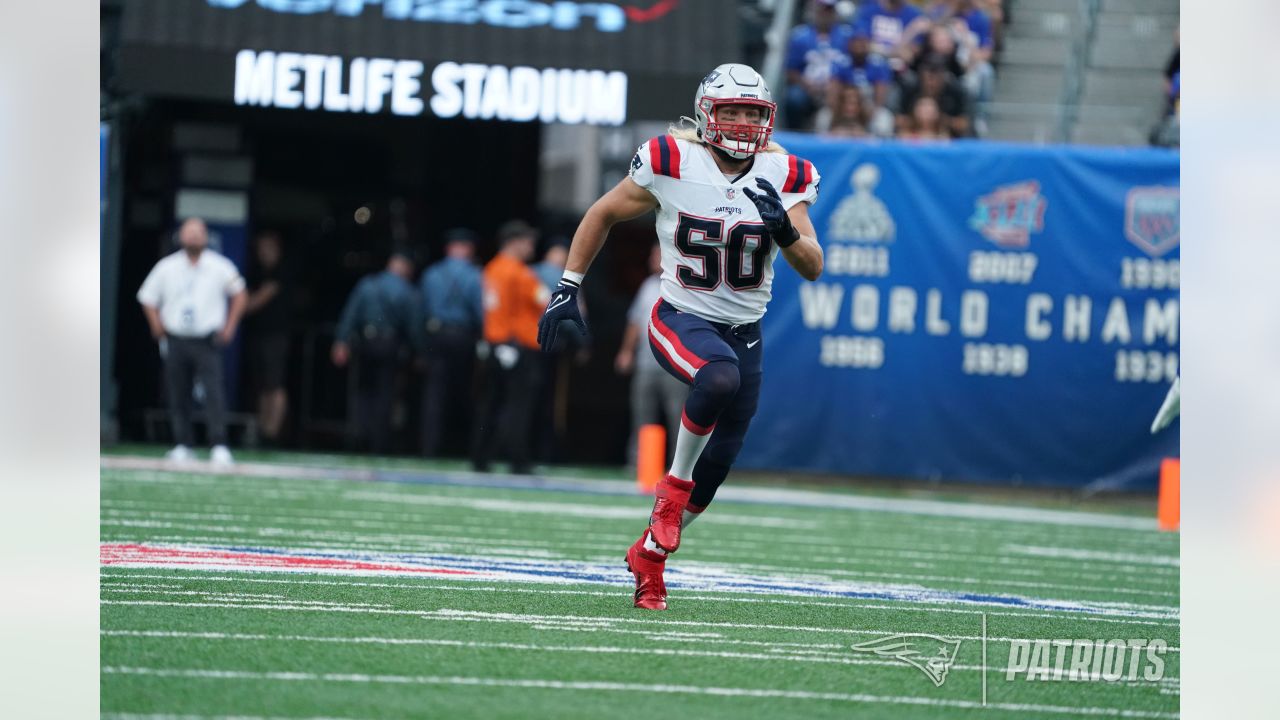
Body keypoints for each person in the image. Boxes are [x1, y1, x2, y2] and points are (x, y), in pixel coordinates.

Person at [538, 64, 824, 610]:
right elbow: (602, 212)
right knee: (717, 378)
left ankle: (649, 558)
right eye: (731, 111)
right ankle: (669, 494)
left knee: (716, 469)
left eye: (752, 113)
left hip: (746, 331)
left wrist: (785, 231)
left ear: (768, 118)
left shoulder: (787, 173)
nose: (742, 123)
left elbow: (812, 266)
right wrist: (568, 285)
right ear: (706, 113)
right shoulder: (671, 159)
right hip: (681, 317)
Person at [136, 217, 247, 466]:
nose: (194, 237)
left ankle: (218, 444)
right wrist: (156, 325)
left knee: (213, 391)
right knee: (178, 391)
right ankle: (183, 443)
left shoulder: (220, 266)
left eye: (199, 232)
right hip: (176, 338)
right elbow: (147, 297)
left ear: (206, 237)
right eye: (190, 232)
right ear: (181, 237)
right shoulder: (167, 267)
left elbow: (240, 293)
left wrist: (230, 327)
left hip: (206, 339)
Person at [472, 220, 549, 474]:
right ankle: (517, 458)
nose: (531, 247)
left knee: (493, 403)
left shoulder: (491, 269)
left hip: (496, 344)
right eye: (527, 242)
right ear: (514, 242)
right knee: (518, 405)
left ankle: (482, 456)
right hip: (516, 346)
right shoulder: (518, 272)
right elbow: (544, 299)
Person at [331, 251, 420, 454]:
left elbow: (350, 314)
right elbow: (413, 327)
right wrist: (419, 352)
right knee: (385, 394)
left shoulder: (367, 284)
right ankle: (378, 442)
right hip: (390, 345)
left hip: (366, 342)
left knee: (362, 391)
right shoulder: (407, 290)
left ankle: (358, 435)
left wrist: (341, 341)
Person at [615, 243, 687, 465]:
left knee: (678, 419)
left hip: (674, 366)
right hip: (646, 364)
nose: (652, 259)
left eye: (657, 255)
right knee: (642, 416)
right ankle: (640, 465)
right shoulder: (647, 285)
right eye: (652, 255)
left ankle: (679, 469)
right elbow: (635, 322)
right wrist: (626, 351)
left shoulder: (683, 287)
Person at [418, 228, 484, 457]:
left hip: (436, 335)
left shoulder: (431, 274)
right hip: (463, 337)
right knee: (464, 392)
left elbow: (421, 311)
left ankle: (429, 448)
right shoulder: (475, 275)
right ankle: (462, 447)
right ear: (468, 249)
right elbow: (480, 311)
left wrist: (420, 346)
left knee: (434, 393)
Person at [531, 239, 588, 463]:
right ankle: (547, 453)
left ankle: (519, 448)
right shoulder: (566, 280)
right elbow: (574, 317)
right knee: (552, 403)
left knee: (523, 399)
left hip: (526, 344)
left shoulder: (528, 273)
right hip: (554, 345)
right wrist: (584, 343)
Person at [243, 230, 291, 445]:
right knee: (262, 385)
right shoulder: (258, 271)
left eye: (267, 248)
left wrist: (236, 309)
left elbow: (259, 300)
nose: (263, 252)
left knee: (275, 383)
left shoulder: (280, 271)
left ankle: (273, 432)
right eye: (260, 249)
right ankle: (263, 430)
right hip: (258, 334)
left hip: (276, 335)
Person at [784, 0, 853, 130]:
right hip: (808, 87)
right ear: (815, 10)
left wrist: (836, 85)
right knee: (794, 97)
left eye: (829, 10)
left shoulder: (846, 35)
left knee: (851, 96)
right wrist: (807, 85)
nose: (825, 14)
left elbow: (852, 66)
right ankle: (794, 134)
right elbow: (791, 70)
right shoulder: (800, 35)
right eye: (822, 10)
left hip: (838, 86)